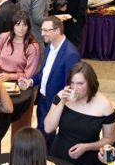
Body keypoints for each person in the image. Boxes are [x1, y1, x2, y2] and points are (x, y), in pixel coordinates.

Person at [44, 62, 115, 165]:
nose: (75, 88)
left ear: (90, 83)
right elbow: (48, 128)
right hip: (60, 153)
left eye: (80, 84)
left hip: (87, 160)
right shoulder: (62, 96)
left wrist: (86, 147)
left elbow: (109, 139)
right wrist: (62, 102)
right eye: (72, 83)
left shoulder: (104, 105)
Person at [19, 17, 81, 148]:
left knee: (40, 138)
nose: (42, 34)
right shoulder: (49, 48)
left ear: (57, 30)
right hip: (42, 101)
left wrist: (60, 105)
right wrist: (30, 81)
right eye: (42, 30)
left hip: (54, 103)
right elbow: (44, 73)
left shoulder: (70, 54)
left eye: (46, 30)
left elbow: (71, 87)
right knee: (46, 140)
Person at [0, 10, 40, 137]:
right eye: (18, 24)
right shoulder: (3, 37)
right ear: (12, 26)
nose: (21, 28)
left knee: (20, 130)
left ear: (28, 26)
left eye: (24, 25)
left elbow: (28, 75)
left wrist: (8, 76)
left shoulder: (33, 47)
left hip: (21, 88)